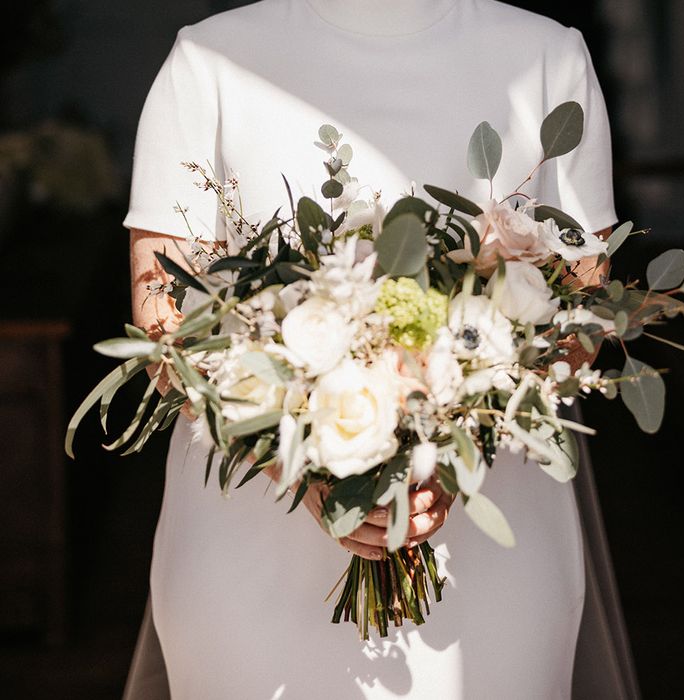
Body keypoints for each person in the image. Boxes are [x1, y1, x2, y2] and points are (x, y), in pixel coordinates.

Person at [123, 1, 639, 697]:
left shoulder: (549, 58)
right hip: (249, 549)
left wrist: (454, 444)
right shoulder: (206, 62)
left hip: (492, 546)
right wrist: (301, 469)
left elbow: (584, 305)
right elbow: (166, 326)